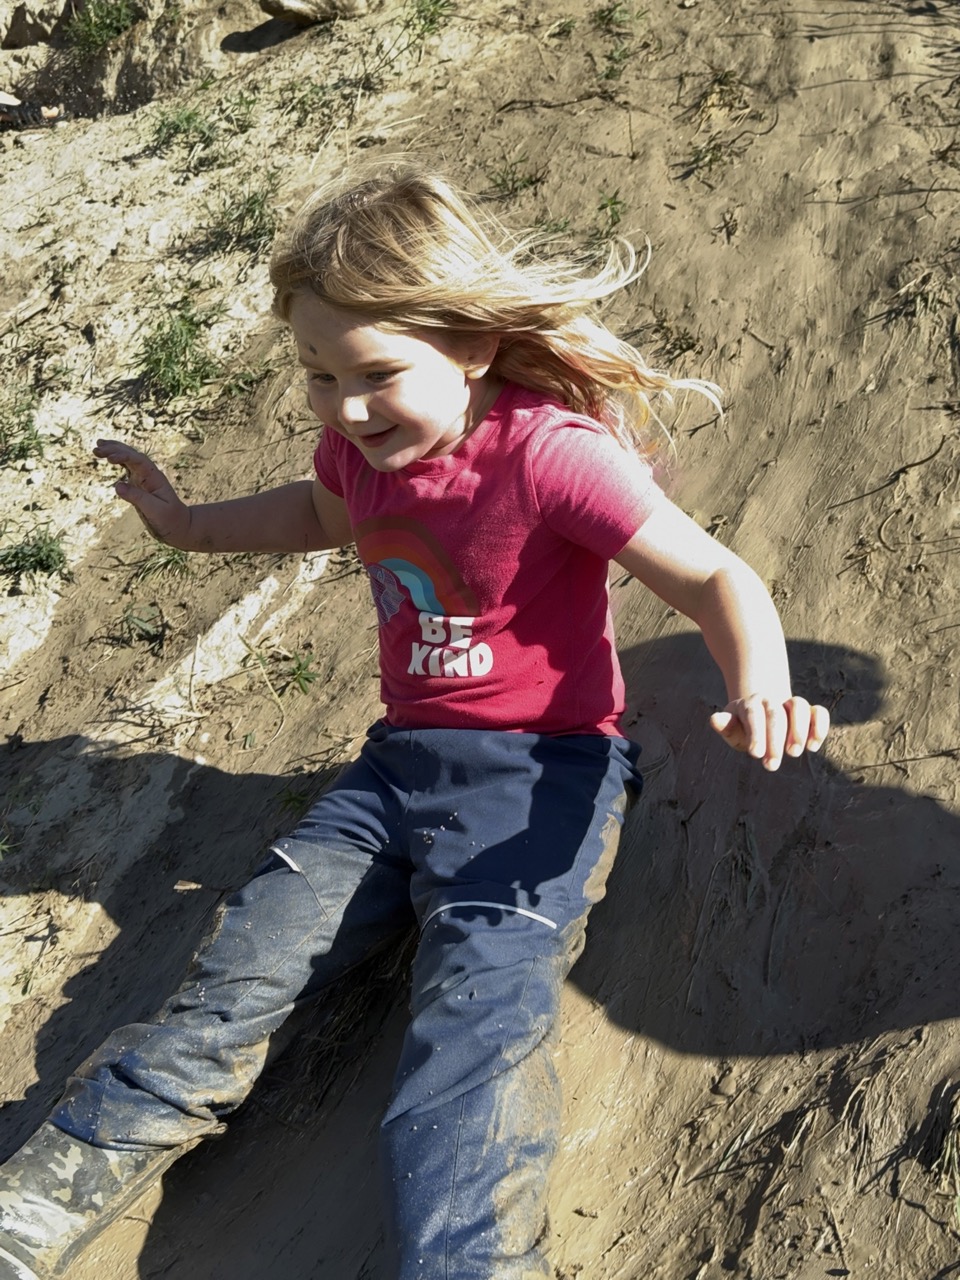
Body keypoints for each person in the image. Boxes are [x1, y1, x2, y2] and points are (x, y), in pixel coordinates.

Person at [0, 167, 829, 1280]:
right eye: (320, 375)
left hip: (540, 780)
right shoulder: (359, 450)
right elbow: (318, 511)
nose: (346, 407)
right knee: (231, 984)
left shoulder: (547, 454)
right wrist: (188, 525)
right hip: (391, 777)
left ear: (473, 345)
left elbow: (717, 575)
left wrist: (760, 684)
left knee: (473, 1036)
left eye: (377, 373)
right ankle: (33, 1209)